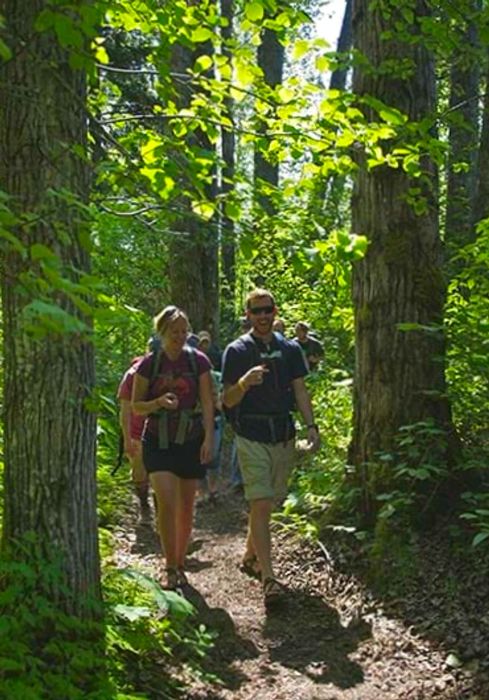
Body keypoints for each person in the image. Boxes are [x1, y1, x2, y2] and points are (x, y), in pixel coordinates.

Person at [222, 288, 320, 609]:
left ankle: (250, 557)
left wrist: (312, 427)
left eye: (267, 310)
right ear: (247, 315)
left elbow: (300, 390)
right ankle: (269, 579)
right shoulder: (236, 351)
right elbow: (227, 400)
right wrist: (244, 383)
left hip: (283, 435)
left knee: (269, 502)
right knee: (261, 502)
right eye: (256, 311)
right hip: (250, 434)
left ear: (275, 311)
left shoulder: (291, 350)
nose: (262, 316)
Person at [132, 305, 214, 590]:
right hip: (157, 440)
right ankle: (169, 565)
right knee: (166, 501)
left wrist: (209, 439)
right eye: (173, 332)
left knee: (186, 507)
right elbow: (136, 405)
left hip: (190, 440)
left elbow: (207, 402)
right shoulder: (149, 364)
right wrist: (157, 403)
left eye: (183, 331)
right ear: (162, 332)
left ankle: (180, 562)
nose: (179, 337)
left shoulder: (199, 362)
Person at [117, 355, 151, 520]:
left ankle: (162, 514)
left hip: (163, 432)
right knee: (139, 473)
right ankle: (144, 506)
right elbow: (124, 410)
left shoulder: (168, 372)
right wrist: (127, 438)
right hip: (137, 433)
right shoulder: (132, 375)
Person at [197, 332, 224, 503]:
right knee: (197, 457)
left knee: (213, 456)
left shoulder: (215, 374)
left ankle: (213, 489)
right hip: (195, 420)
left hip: (215, 419)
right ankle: (202, 491)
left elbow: (221, 396)